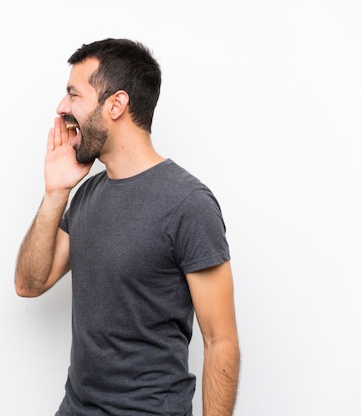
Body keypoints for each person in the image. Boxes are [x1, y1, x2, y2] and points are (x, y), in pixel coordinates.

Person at [14, 38, 240, 416]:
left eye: (74, 95)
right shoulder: (86, 195)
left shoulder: (188, 204)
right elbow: (29, 284)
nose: (62, 108)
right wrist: (55, 192)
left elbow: (221, 341)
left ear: (115, 105)